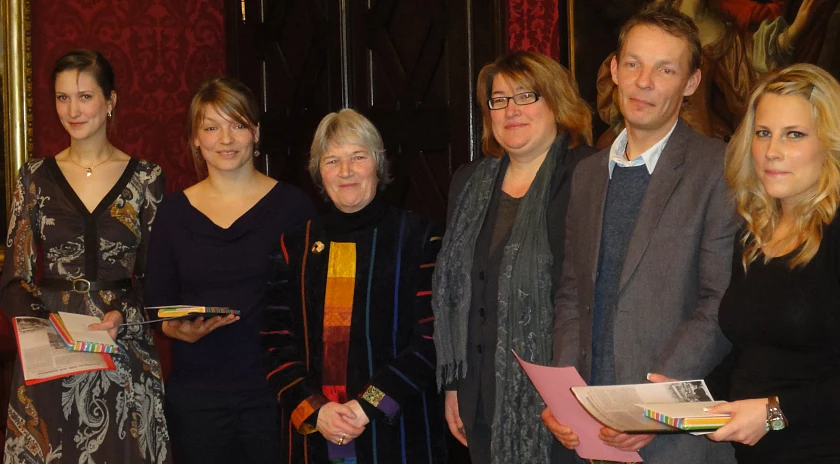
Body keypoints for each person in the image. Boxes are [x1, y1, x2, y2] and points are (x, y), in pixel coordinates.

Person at [544, 4, 739, 463]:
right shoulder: (588, 174)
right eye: (633, 64)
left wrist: (651, 409)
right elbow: (572, 293)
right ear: (614, 70)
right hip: (587, 433)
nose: (644, 81)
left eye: (665, 69)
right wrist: (564, 394)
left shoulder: (720, 169)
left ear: (691, 82)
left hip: (676, 437)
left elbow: (720, 302)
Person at [2, 50, 171, 462]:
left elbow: (158, 278)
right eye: (63, 98)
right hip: (50, 348)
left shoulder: (147, 178)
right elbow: (14, 278)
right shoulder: (33, 177)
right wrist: (51, 327)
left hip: (122, 346)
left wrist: (122, 317)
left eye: (85, 96)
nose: (73, 111)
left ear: (110, 101)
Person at [432, 50, 595, 464]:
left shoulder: (589, 174)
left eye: (525, 96)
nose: (511, 110)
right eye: (499, 99)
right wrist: (454, 385)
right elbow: (457, 296)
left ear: (556, 102)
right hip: (478, 396)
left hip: (566, 396)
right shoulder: (469, 182)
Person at [143, 76, 315, 464]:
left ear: (256, 132)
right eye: (211, 128)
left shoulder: (294, 207)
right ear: (195, 139)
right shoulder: (172, 213)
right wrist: (175, 329)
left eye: (237, 124)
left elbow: (312, 302)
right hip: (197, 396)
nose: (225, 139)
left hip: (276, 392)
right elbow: (156, 304)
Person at [262, 108, 445, 463]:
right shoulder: (292, 246)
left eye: (358, 157)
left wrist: (367, 405)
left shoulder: (421, 238)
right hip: (315, 436)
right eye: (332, 161)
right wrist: (317, 409)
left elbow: (432, 340)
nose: (345, 171)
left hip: (398, 434)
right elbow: (274, 342)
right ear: (319, 172)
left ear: (378, 163)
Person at [699, 63, 840, 463]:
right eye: (763, 133)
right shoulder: (754, 232)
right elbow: (752, 357)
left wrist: (774, 414)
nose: (772, 151)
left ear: (829, 142)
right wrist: (683, 403)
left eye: (794, 134)